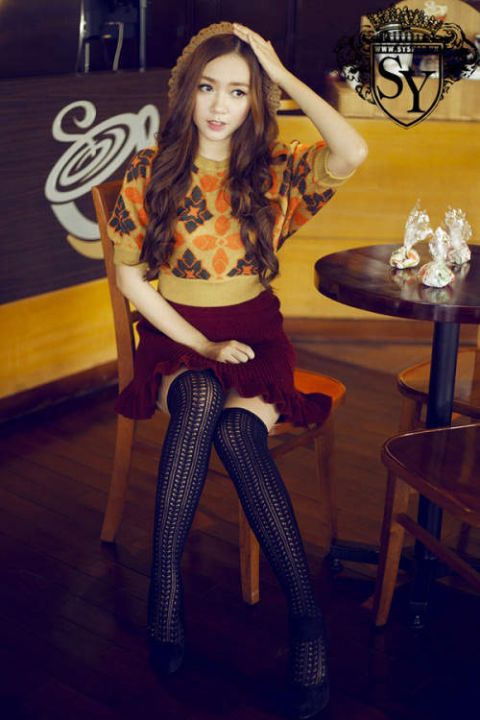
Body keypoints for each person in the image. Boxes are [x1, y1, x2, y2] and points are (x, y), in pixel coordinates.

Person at [108, 21, 367, 719]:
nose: (219, 105)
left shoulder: (274, 170)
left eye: (238, 91)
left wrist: (280, 75)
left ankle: (306, 620)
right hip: (177, 339)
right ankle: (166, 590)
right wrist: (202, 344)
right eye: (207, 88)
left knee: (237, 433)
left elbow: (353, 149)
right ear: (186, 92)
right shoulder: (151, 168)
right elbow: (132, 281)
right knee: (197, 397)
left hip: (255, 337)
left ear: (257, 101)